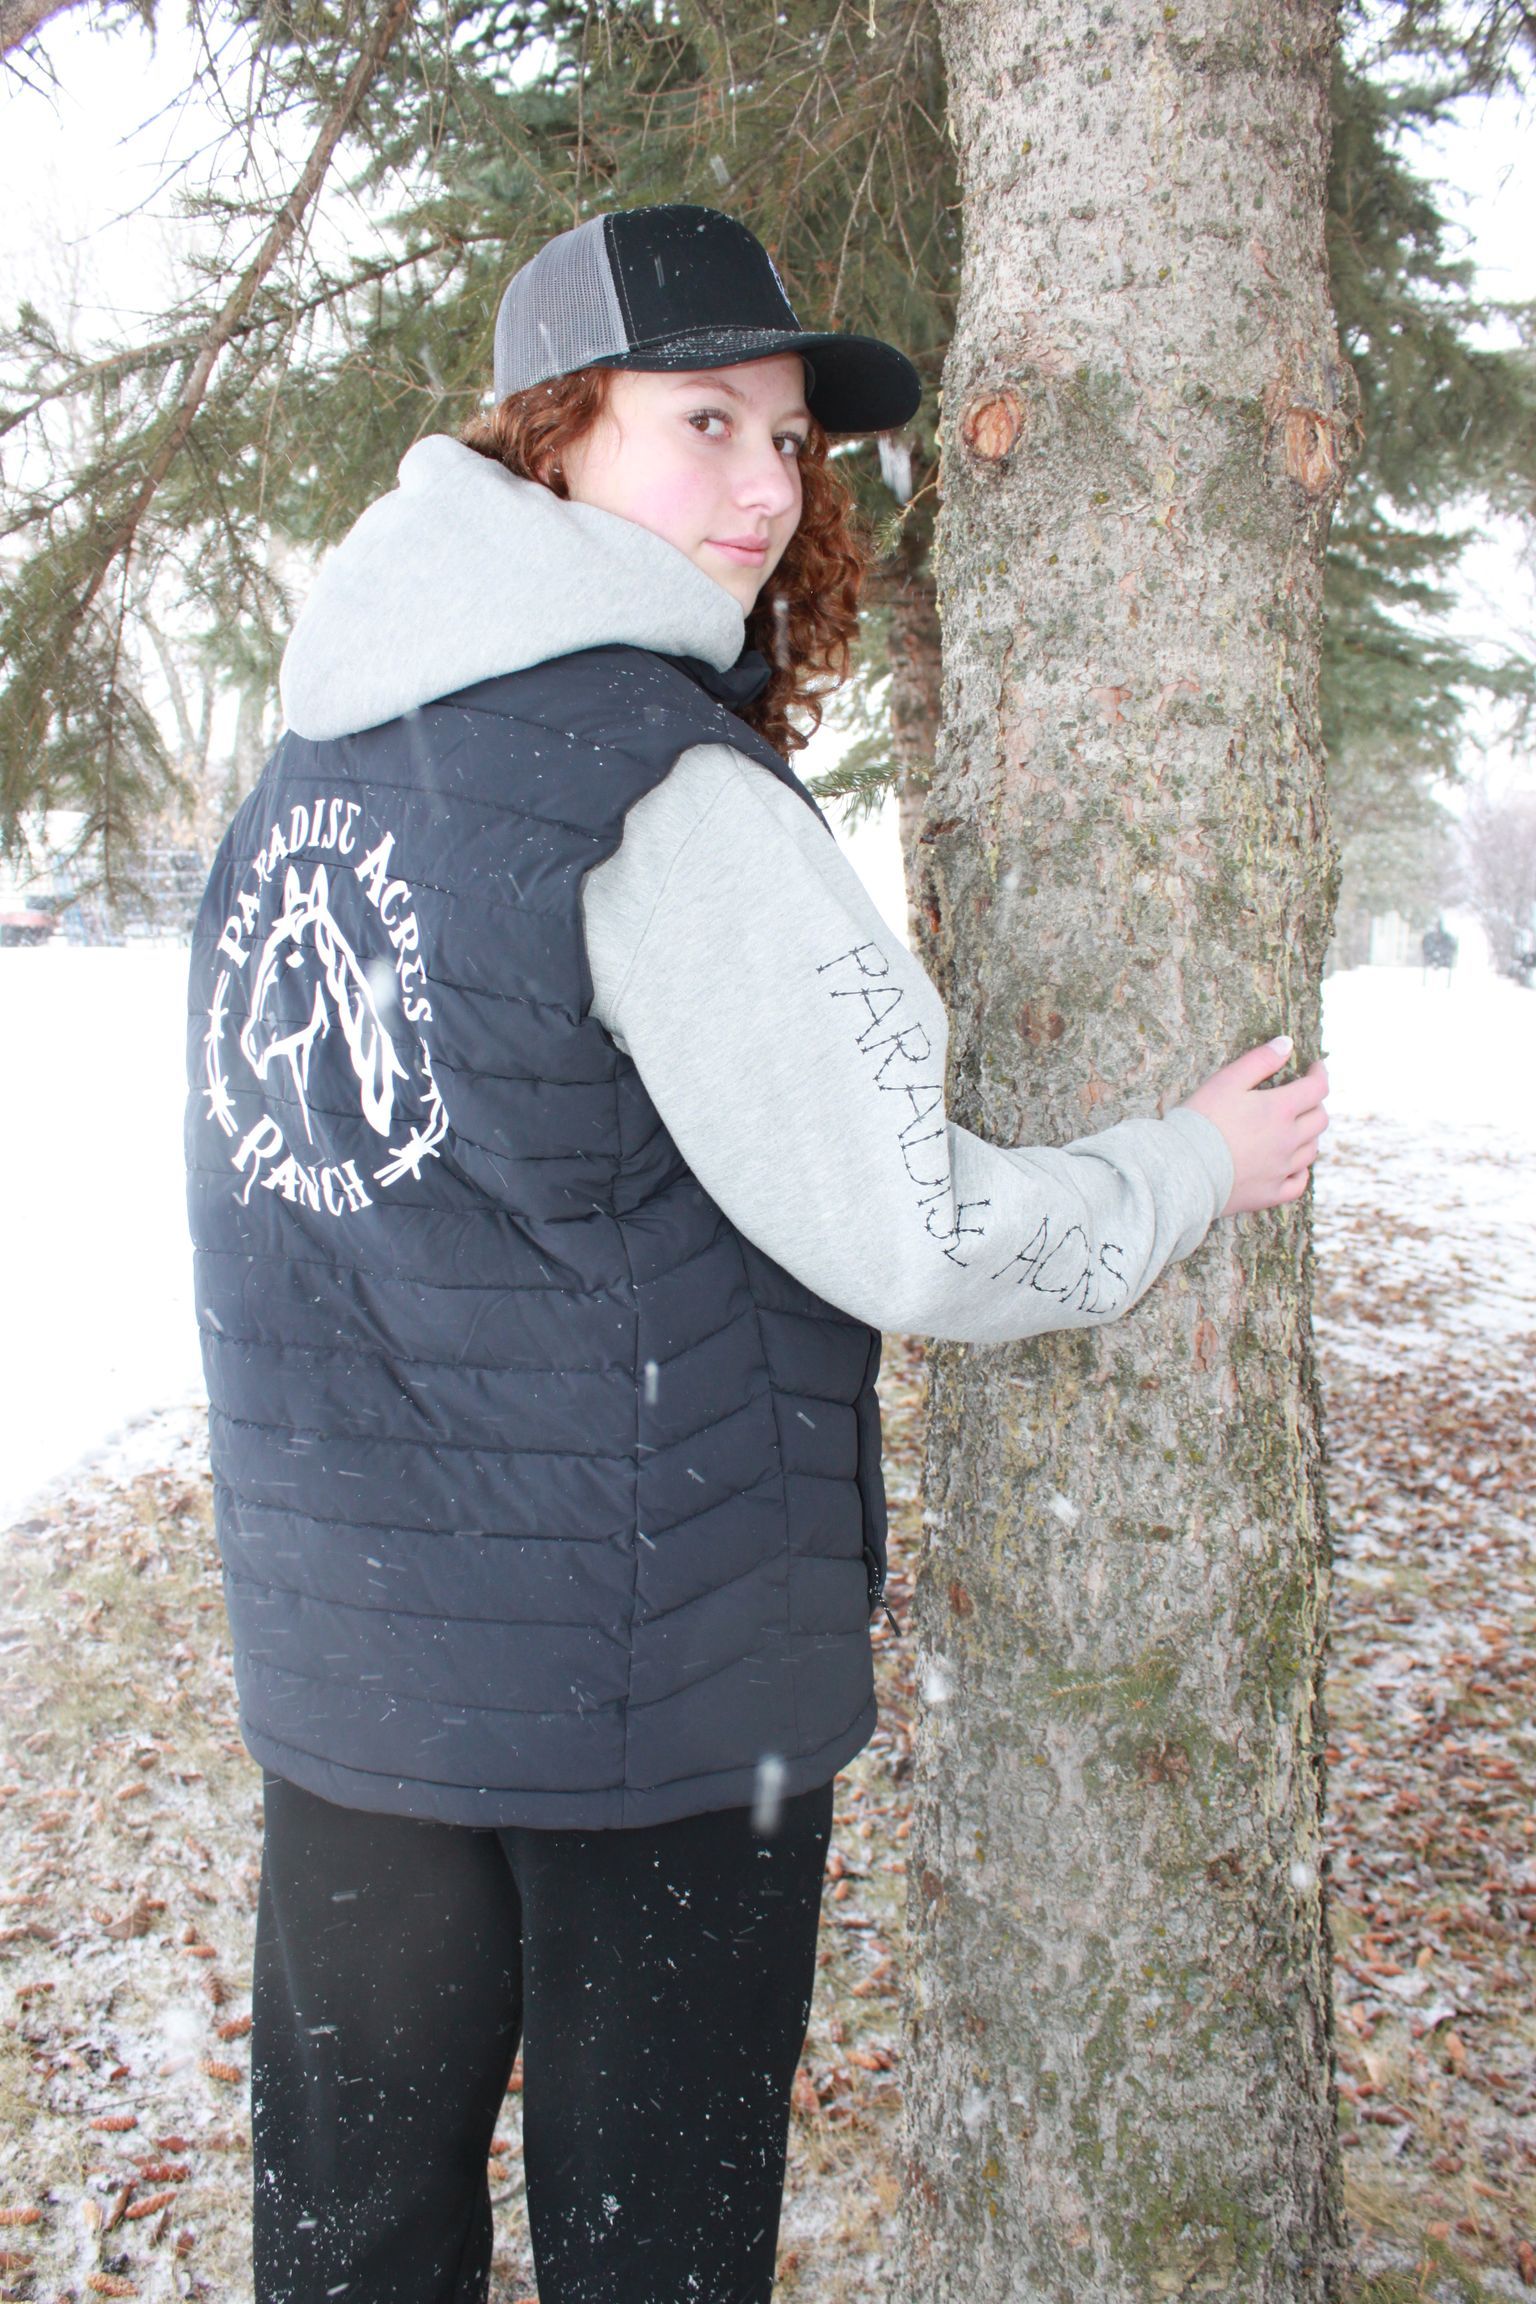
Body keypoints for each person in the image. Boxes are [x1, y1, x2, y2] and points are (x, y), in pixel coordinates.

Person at [185, 204, 1329, 2304]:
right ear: (550, 440)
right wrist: (1183, 1161)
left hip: (353, 1673)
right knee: (654, 2250)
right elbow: (915, 1227)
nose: (762, 486)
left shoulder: (313, 771)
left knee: (353, 2238)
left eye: (790, 440)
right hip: (644, 1686)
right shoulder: (656, 794)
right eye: (698, 420)